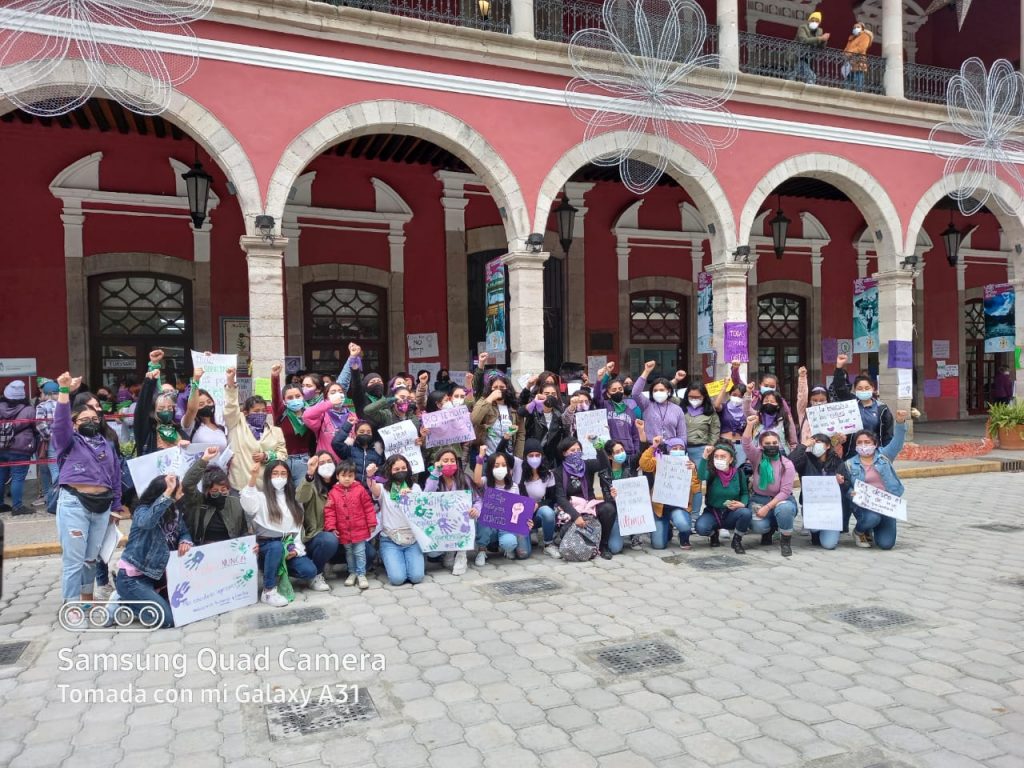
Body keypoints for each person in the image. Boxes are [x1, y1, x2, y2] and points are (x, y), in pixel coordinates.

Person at [52, 372, 124, 605]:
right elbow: (60, 423)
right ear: (75, 424)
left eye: (95, 419)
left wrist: (116, 507)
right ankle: (71, 605)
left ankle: (86, 600)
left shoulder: (107, 444)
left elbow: (115, 477)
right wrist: (64, 391)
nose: (91, 422)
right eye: (84, 420)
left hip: (102, 507)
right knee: (74, 560)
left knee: (90, 559)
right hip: (75, 503)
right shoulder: (68, 442)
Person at [241, 460, 328, 606]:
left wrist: (295, 550)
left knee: (309, 570)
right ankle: (269, 591)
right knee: (275, 547)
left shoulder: (293, 499)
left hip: (288, 545)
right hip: (266, 546)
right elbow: (248, 504)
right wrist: (253, 477)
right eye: (275, 474)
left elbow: (297, 530)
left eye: (283, 473)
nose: (279, 477)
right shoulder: (261, 497)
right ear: (268, 476)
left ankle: (280, 571)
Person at [114, 473, 193, 629]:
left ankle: (143, 598)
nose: (182, 494)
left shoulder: (174, 511)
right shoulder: (141, 510)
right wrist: (167, 494)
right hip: (133, 579)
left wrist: (185, 540)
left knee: (185, 610)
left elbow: (183, 531)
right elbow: (148, 522)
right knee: (168, 620)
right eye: (179, 491)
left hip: (157, 577)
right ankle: (125, 602)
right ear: (166, 493)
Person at [845, 410, 908, 550]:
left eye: (867, 442)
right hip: (864, 506)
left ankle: (873, 529)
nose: (863, 445)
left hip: (886, 505)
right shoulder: (849, 464)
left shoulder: (884, 456)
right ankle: (859, 531)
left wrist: (900, 422)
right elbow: (845, 486)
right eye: (859, 442)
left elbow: (897, 442)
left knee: (886, 544)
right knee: (872, 518)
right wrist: (851, 493)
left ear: (875, 444)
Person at [552, 436, 618, 560]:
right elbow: (561, 498)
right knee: (567, 525)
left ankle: (603, 545)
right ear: (564, 453)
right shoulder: (558, 472)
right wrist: (576, 516)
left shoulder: (587, 465)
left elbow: (604, 465)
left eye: (578, 450)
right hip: (571, 506)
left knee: (608, 509)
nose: (576, 453)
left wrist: (598, 446)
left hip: (589, 504)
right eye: (572, 451)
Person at [742, 414, 799, 557]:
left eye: (775, 443)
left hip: (780, 500)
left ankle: (785, 541)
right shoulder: (757, 457)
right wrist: (749, 425)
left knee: (784, 509)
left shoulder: (787, 464)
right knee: (758, 526)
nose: (772, 446)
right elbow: (746, 444)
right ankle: (769, 530)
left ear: (779, 444)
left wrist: (768, 507)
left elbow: (785, 492)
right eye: (767, 443)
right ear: (761, 445)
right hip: (759, 499)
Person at [224, 366, 287, 491]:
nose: (261, 414)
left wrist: (267, 456)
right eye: (256, 411)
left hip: (266, 487)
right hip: (241, 486)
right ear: (246, 412)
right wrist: (230, 383)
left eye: (263, 411)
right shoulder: (236, 424)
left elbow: (283, 455)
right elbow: (231, 407)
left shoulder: (275, 431)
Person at [367, 455, 425, 587]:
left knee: (417, 577)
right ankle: (387, 556)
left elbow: (421, 512)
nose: (400, 471)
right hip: (390, 539)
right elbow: (373, 489)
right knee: (397, 579)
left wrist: (412, 499)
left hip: (412, 539)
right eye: (396, 469)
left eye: (403, 468)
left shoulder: (415, 487)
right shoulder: (383, 489)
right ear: (389, 471)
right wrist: (370, 476)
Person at [639, 436, 702, 551]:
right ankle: (667, 530)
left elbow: (696, 489)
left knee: (682, 523)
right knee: (658, 545)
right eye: (674, 448)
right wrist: (653, 447)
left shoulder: (688, 464)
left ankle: (684, 536)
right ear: (668, 449)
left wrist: (693, 471)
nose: (678, 450)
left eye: (680, 448)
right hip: (660, 509)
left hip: (679, 507)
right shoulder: (660, 460)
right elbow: (644, 464)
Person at [788, 433, 850, 549]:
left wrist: (840, 482)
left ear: (827, 446)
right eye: (813, 442)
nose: (815, 444)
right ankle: (815, 533)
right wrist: (803, 446)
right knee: (815, 531)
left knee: (829, 544)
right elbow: (789, 463)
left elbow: (846, 484)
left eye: (819, 442)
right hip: (812, 506)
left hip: (831, 509)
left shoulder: (837, 461)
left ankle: (826, 532)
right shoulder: (805, 459)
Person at [323, 460, 377, 589]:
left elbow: (368, 507)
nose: (347, 479)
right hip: (343, 530)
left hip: (359, 529)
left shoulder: (360, 490)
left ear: (354, 476)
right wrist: (331, 527)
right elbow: (329, 511)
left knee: (359, 552)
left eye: (350, 476)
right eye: (343, 475)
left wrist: (371, 522)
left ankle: (361, 574)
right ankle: (352, 573)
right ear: (337, 476)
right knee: (349, 552)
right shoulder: (333, 493)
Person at [294, 451, 346, 583]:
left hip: (344, 534)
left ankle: (332, 563)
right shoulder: (311, 485)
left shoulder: (343, 482)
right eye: (321, 463)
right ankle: (316, 574)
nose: (326, 465)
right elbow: (300, 497)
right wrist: (309, 474)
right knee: (329, 540)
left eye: (329, 461)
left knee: (369, 554)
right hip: (319, 536)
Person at [425, 448, 478, 574]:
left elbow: (477, 500)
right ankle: (449, 551)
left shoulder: (464, 479)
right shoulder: (433, 478)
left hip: (462, 521)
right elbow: (427, 496)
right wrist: (436, 473)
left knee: (469, 517)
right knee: (432, 553)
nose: (449, 463)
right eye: (445, 460)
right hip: (441, 523)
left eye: (452, 461)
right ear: (438, 462)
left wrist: (476, 509)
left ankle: (461, 555)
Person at [181, 447, 248, 545]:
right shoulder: (197, 501)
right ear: (206, 491)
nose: (220, 494)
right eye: (215, 491)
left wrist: (249, 546)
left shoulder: (236, 503)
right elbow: (187, 484)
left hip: (229, 551)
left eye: (223, 490)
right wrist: (204, 460)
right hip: (203, 549)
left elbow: (244, 532)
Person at [830, 355, 894, 455]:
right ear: (855, 390)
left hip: (874, 454)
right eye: (860, 388)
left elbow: (888, 435)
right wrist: (839, 368)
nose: (863, 390)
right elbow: (839, 389)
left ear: (872, 388)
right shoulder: (850, 403)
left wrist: (884, 454)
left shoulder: (882, 409)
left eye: (867, 388)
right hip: (851, 454)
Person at [694, 443, 752, 553]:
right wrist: (705, 456)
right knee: (701, 527)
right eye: (716, 456)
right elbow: (701, 476)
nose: (719, 459)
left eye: (723, 456)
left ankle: (737, 540)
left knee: (746, 513)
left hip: (731, 512)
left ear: (730, 459)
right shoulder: (712, 473)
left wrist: (742, 504)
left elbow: (745, 493)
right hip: (713, 512)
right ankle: (713, 534)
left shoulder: (739, 473)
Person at [472, 444, 525, 562]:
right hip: (488, 524)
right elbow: (476, 480)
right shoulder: (486, 482)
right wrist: (480, 457)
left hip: (505, 525)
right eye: (496, 466)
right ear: (490, 468)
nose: (500, 468)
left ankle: (507, 548)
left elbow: (518, 508)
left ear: (509, 469)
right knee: (483, 522)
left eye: (504, 465)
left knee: (510, 542)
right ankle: (481, 550)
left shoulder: (514, 486)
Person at [134, 350, 188, 455]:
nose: (166, 411)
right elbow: (142, 407)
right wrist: (150, 379)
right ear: (153, 411)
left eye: (169, 408)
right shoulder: (147, 432)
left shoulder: (180, 432)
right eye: (161, 409)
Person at [271, 363, 316, 486]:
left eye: (297, 396)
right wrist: (275, 377)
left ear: (303, 397)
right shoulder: (281, 414)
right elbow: (275, 398)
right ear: (284, 401)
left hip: (304, 462)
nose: (294, 399)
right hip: (283, 461)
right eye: (290, 397)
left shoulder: (310, 414)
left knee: (300, 499)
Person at [681, 382, 719, 519]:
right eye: (691, 396)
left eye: (698, 397)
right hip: (682, 450)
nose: (694, 399)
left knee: (696, 484)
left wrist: (711, 446)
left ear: (704, 397)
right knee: (682, 484)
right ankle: (682, 514)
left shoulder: (710, 411)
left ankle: (694, 516)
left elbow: (715, 431)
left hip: (701, 450)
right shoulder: (681, 408)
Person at [0, 380, 37, 515]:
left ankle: (0, 504)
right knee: (18, 477)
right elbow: (36, 428)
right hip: (20, 447)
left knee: (1, 476)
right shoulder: (29, 409)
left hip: (1, 446)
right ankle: (17, 506)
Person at [593, 362, 642, 461]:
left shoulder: (630, 411)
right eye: (614, 390)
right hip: (610, 453)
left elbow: (635, 435)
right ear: (609, 394)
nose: (618, 391)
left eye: (620, 389)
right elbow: (597, 396)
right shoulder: (604, 405)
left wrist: (637, 453)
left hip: (628, 452)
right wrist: (599, 379)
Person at [518, 438, 559, 557]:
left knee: (548, 512)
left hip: (537, 512)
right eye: (531, 455)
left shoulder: (548, 474)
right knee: (523, 553)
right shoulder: (518, 471)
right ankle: (528, 534)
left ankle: (548, 544)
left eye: (537, 455)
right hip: (520, 515)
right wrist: (505, 439)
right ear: (526, 457)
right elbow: (500, 454)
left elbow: (552, 499)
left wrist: (538, 505)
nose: (534, 458)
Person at [471, 357, 519, 457]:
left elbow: (520, 434)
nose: (499, 390)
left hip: (508, 456)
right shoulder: (485, 401)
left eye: (502, 387)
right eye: (495, 387)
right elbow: (474, 419)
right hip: (488, 455)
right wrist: (490, 398)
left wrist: (518, 457)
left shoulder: (513, 406)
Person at [631, 360, 686, 442]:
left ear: (669, 391)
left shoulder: (677, 410)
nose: (658, 392)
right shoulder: (647, 405)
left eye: (661, 390)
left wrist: (680, 449)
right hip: (651, 448)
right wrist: (646, 371)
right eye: (655, 390)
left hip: (672, 449)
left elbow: (682, 435)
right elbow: (635, 393)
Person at [517, 378, 566, 463]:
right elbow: (520, 412)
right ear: (540, 395)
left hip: (552, 458)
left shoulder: (560, 413)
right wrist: (534, 402)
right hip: (534, 454)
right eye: (546, 394)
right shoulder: (534, 410)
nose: (550, 396)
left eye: (553, 394)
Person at [180, 364, 228, 450]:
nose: (206, 405)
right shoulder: (191, 425)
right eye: (201, 404)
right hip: (200, 463)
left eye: (209, 402)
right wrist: (195, 381)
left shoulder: (221, 428)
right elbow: (191, 410)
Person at [332, 419, 385, 488]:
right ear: (355, 434)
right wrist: (348, 425)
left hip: (370, 493)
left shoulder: (377, 454)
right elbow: (336, 443)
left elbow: (379, 474)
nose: (365, 434)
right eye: (361, 432)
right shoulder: (349, 450)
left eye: (368, 432)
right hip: (350, 491)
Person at [33, 379, 60, 509]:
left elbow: (40, 424)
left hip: (52, 441)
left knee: (54, 469)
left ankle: (56, 498)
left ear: (47, 394)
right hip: (66, 440)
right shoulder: (65, 405)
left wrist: (48, 436)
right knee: (63, 467)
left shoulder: (42, 406)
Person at [714, 371, 748, 467]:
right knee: (723, 468)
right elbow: (716, 406)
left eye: (741, 396)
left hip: (740, 445)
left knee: (739, 469)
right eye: (734, 395)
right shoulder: (724, 407)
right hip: (724, 443)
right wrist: (724, 386)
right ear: (730, 394)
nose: (737, 398)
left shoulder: (746, 411)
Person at [795, 365, 831, 442]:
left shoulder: (832, 415)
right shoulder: (803, 412)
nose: (818, 402)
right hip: (806, 452)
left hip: (826, 452)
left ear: (827, 400)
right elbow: (802, 397)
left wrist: (839, 439)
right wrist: (802, 378)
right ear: (809, 400)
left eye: (822, 400)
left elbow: (834, 440)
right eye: (815, 400)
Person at [792, 10, 829, 84]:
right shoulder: (802, 27)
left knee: (793, 74)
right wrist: (820, 38)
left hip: (808, 58)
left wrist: (824, 40)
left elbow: (821, 47)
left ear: (819, 23)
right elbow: (804, 40)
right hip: (797, 55)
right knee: (812, 76)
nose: (814, 22)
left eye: (817, 21)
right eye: (812, 20)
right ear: (809, 20)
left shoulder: (819, 31)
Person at [843, 20, 872, 92]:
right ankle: (847, 91)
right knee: (848, 79)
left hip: (859, 61)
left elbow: (861, 48)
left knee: (858, 77)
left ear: (862, 28)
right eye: (854, 27)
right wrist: (844, 54)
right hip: (849, 62)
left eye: (858, 27)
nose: (855, 28)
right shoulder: (851, 39)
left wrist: (849, 53)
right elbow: (846, 49)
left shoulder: (865, 36)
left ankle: (859, 92)